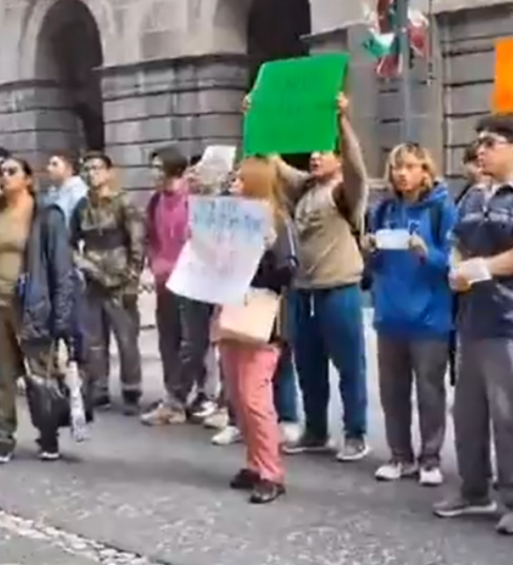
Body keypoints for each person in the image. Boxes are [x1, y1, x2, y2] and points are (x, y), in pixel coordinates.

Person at [434, 113, 513, 535]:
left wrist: (476, 269)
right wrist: (455, 268)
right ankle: (473, 491)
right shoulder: (474, 195)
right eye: (480, 143)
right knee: (466, 413)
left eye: (491, 143)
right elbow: (455, 242)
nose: (481, 150)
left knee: (510, 416)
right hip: (470, 320)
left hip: (510, 321)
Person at [261, 92, 371, 462]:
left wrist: (343, 123)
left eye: (324, 151)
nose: (314, 156)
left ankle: (356, 433)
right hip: (303, 292)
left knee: (349, 366)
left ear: (337, 158)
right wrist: (257, 116)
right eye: (313, 151)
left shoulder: (345, 192)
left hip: (338, 291)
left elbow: (357, 168)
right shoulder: (306, 189)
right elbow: (274, 161)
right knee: (308, 366)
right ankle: (316, 430)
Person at [364, 143, 456, 486]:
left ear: (425, 171)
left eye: (410, 166)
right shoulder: (383, 209)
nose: (402, 173)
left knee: (430, 391)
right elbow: (375, 266)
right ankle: (399, 455)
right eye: (396, 167)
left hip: (430, 318)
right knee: (392, 392)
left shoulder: (441, 208)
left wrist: (425, 252)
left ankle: (430, 458)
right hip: (390, 313)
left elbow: (452, 263)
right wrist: (369, 251)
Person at [0, 155, 77, 464]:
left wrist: (61, 316)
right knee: (2, 376)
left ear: (27, 179)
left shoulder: (45, 215)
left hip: (33, 305)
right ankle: (3, 438)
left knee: (41, 376)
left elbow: (62, 269)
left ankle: (47, 436)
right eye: (1, 172)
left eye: (12, 171)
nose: (4, 177)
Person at [218, 156, 297, 505]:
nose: (233, 183)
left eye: (239, 178)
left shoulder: (276, 221)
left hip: (263, 318)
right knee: (238, 395)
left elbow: (288, 271)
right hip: (232, 311)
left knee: (254, 397)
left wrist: (263, 252)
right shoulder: (233, 220)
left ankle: (271, 472)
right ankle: (254, 463)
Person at [143, 146, 215, 424]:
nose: (153, 174)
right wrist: (154, 264)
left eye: (158, 168)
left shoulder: (194, 197)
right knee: (168, 341)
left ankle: (199, 394)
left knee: (195, 342)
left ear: (175, 170)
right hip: (165, 280)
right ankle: (174, 396)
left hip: (193, 280)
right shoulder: (155, 201)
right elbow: (151, 238)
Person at [71, 152, 145, 415]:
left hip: (120, 273)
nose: (92, 174)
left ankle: (131, 389)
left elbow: (137, 242)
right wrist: (82, 264)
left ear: (109, 172)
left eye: (97, 168)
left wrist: (132, 277)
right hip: (92, 276)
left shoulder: (124, 202)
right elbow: (70, 242)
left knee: (126, 338)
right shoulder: (81, 206)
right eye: (87, 169)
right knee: (94, 339)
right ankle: (99, 387)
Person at [43, 152, 88, 228]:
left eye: (55, 165)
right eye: (49, 164)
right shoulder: (52, 191)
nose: (49, 168)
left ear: (69, 168)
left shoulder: (78, 192)